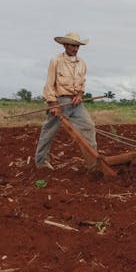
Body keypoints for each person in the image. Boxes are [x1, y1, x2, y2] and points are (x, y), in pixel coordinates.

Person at [34, 32, 97, 169]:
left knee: (89, 127)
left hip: (76, 103)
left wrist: (80, 94)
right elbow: (49, 84)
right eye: (72, 46)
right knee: (48, 131)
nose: (75, 49)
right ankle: (41, 162)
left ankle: (93, 162)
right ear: (65, 45)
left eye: (77, 46)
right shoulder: (56, 61)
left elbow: (82, 83)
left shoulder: (82, 63)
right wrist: (53, 104)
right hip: (60, 102)